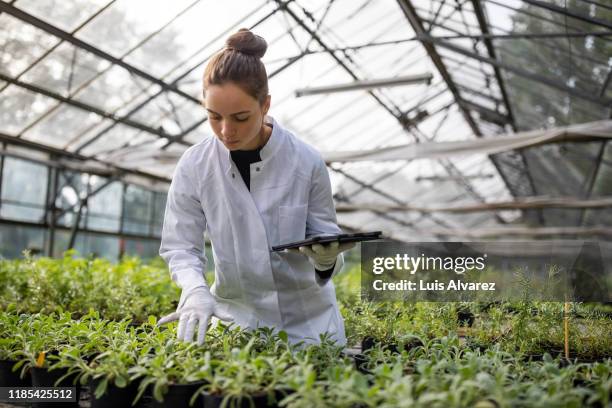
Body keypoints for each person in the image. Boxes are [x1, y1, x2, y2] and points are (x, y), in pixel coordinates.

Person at [157, 29, 354, 346]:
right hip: (235, 322)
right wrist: (195, 289)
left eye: (240, 117)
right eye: (214, 116)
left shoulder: (305, 162)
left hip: (308, 326)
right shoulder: (195, 165)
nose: (226, 130)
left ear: (265, 105)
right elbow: (180, 246)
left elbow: (327, 242)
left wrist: (327, 257)